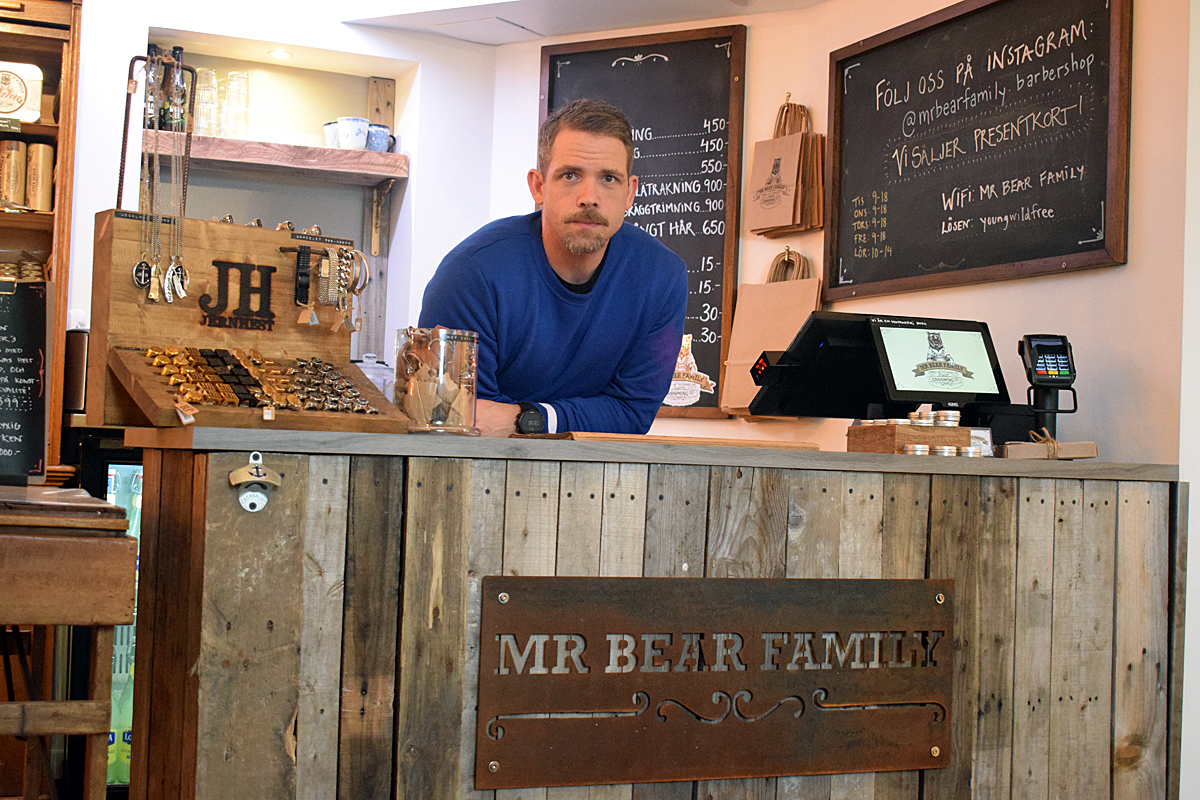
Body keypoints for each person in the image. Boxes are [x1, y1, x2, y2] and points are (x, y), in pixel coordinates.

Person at [418, 99, 688, 437]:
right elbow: (465, 419)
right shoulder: (471, 275)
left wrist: (525, 418)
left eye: (608, 178)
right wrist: (572, 418)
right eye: (570, 175)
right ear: (539, 186)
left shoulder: (662, 278)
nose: (589, 197)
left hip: (597, 470)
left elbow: (632, 413)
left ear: (630, 193)